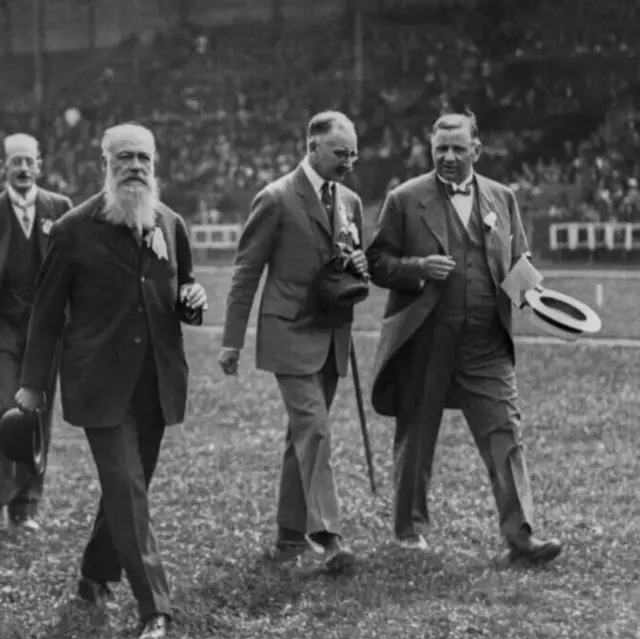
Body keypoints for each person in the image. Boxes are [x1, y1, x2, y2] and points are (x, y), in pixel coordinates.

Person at [16, 123, 206, 639]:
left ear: (155, 163)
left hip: (156, 383)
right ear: (105, 164)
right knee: (125, 487)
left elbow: (183, 286)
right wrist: (33, 384)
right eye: (124, 157)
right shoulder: (72, 230)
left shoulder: (170, 223)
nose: (135, 167)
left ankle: (95, 573)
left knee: (128, 489)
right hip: (100, 384)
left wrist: (192, 299)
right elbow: (46, 314)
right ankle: (155, 607)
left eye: (143, 157)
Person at [366, 111, 562, 564]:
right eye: (441, 149)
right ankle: (409, 530)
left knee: (505, 432)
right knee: (416, 436)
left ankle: (521, 536)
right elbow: (377, 261)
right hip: (424, 339)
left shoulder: (502, 197)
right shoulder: (404, 199)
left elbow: (519, 258)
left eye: (458, 148)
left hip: (486, 343)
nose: (449, 157)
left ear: (477, 149)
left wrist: (539, 298)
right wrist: (417, 268)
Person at [219, 110, 367, 572]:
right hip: (289, 332)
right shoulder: (276, 198)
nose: (349, 162)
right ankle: (329, 536)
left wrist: (358, 266)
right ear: (313, 147)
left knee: (302, 433)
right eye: (340, 153)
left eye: (354, 154)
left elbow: (352, 262)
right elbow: (246, 272)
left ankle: (288, 535)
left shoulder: (350, 202)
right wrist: (232, 341)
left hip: (332, 334)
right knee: (315, 428)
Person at [0, 132, 73, 532]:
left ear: (40, 165)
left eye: (29, 161)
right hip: (3, 331)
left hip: (46, 333)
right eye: (15, 162)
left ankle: (26, 503)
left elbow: (73, 272)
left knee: (37, 416)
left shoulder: (60, 208)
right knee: (1, 412)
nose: (23, 169)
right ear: (3, 167)